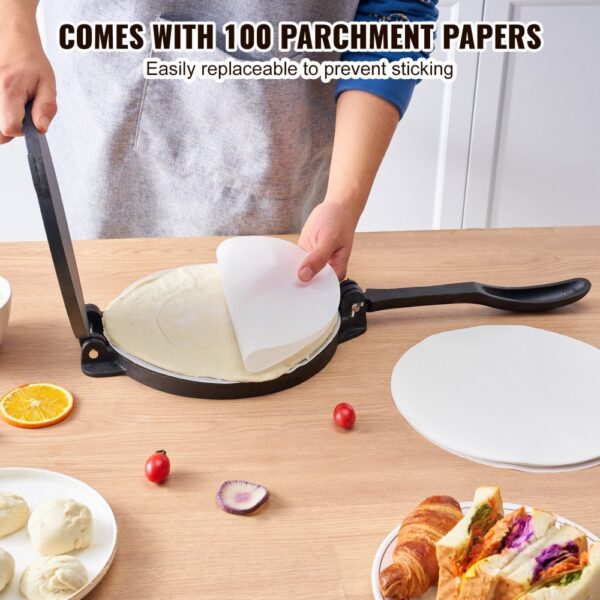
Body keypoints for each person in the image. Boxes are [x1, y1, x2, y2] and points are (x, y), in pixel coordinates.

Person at [0, 1, 438, 282]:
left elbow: (395, 17)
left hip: (273, 150)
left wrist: (345, 198)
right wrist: (14, 26)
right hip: (100, 99)